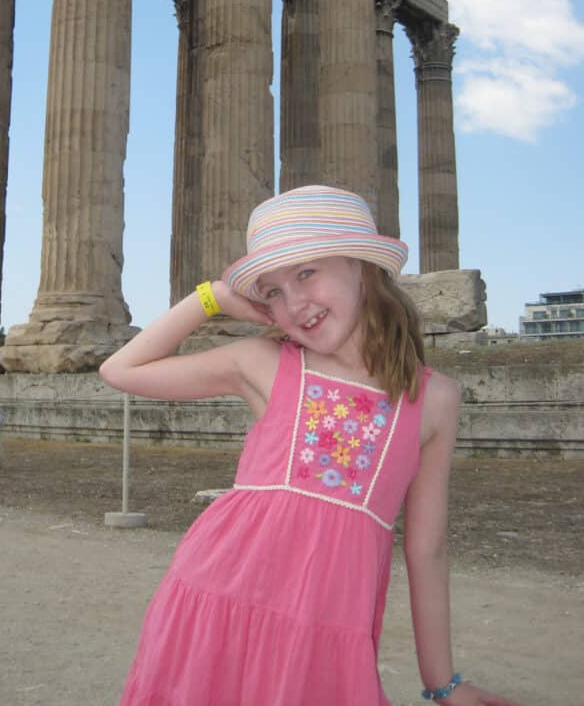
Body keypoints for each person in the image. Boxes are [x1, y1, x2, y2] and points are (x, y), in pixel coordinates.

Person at [100, 185, 521, 706]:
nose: (294, 302)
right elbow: (120, 369)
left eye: (306, 273)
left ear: (362, 268)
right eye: (271, 291)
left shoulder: (433, 399)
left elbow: (427, 549)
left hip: (328, 633)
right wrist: (210, 297)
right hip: (216, 603)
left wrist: (443, 684)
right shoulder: (263, 362)